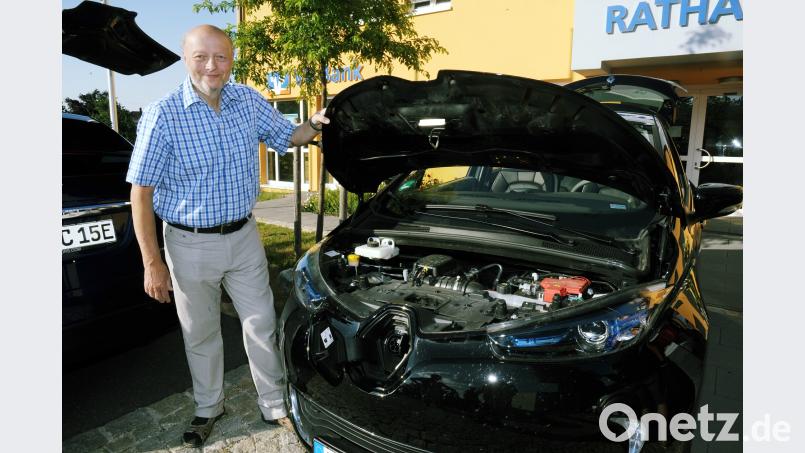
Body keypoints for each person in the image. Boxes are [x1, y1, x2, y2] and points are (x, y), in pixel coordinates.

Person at [126, 24, 329, 448]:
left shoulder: (248, 101)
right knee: (200, 331)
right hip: (188, 243)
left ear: (231, 59)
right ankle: (209, 406)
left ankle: (274, 405)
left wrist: (313, 122)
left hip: (244, 237)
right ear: (186, 58)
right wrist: (152, 262)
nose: (212, 67)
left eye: (221, 57)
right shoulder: (163, 114)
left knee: (261, 322)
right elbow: (140, 194)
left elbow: (287, 137)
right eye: (202, 57)